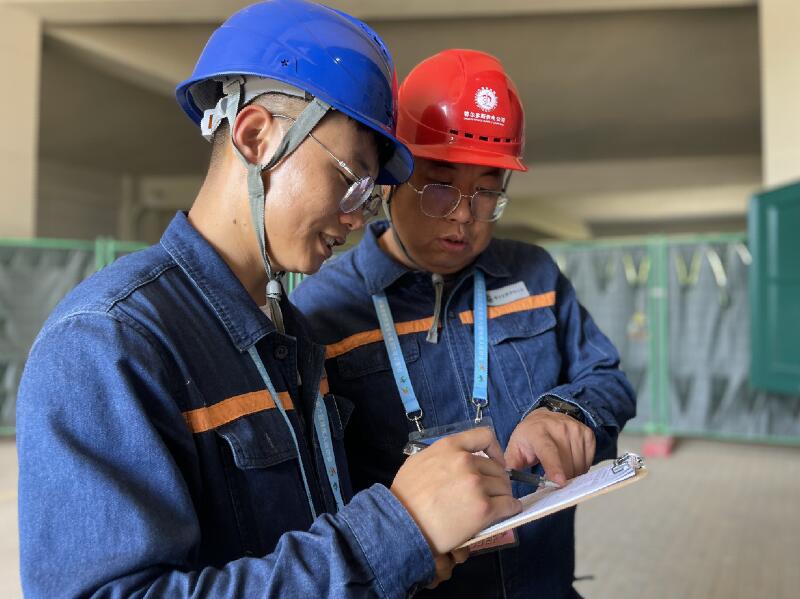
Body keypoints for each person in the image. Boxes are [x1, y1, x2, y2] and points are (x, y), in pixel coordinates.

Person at [16, 7, 521, 598]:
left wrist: (408, 554)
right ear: (256, 138)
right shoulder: (109, 343)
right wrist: (394, 533)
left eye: (367, 196)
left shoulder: (292, 335)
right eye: (350, 179)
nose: (357, 218)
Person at [291, 49, 637, 598]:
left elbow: (608, 377)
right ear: (390, 180)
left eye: (488, 191)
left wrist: (569, 412)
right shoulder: (324, 311)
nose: (463, 215)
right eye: (439, 186)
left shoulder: (534, 274)